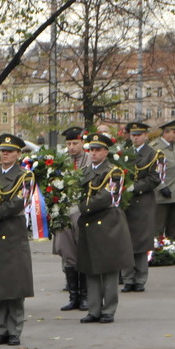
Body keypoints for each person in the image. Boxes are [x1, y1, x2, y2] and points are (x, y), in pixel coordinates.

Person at [0, 134, 34, 346]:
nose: (4, 154)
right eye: (2, 151)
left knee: (14, 285)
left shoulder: (25, 176)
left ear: (18, 154)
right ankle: (1, 328)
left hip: (12, 231)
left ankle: (15, 329)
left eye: (9, 151)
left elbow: (18, 203)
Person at [77, 132, 132, 324]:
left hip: (107, 222)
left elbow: (107, 197)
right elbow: (77, 191)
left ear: (106, 152)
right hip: (89, 222)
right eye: (91, 149)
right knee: (91, 268)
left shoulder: (114, 172)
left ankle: (108, 309)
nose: (93, 153)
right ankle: (94, 310)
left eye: (98, 149)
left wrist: (83, 206)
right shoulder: (84, 171)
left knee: (109, 268)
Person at [121, 122, 163, 293]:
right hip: (126, 202)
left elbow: (155, 178)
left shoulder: (153, 154)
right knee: (125, 241)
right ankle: (127, 279)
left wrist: (135, 187)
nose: (135, 138)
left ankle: (140, 279)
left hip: (142, 201)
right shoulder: (124, 153)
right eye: (133, 135)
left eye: (139, 135)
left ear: (146, 135)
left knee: (141, 241)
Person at [53, 126, 91, 311]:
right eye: (68, 144)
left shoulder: (89, 160)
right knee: (68, 253)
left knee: (83, 251)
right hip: (65, 211)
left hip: (82, 211)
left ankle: (85, 296)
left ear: (82, 142)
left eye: (75, 143)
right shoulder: (60, 162)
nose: (71, 147)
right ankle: (73, 296)